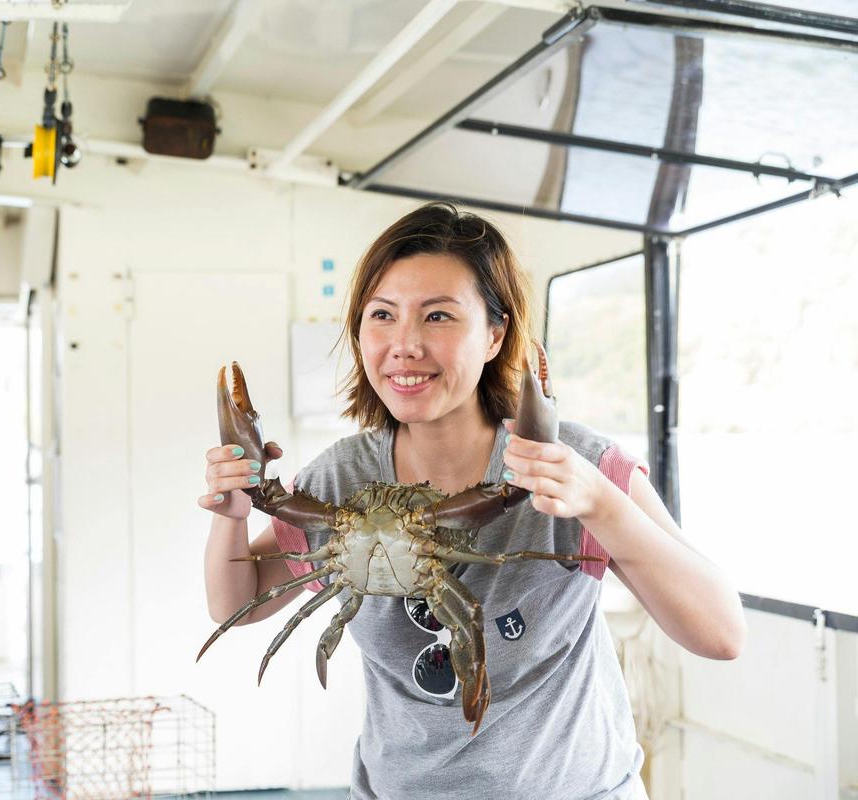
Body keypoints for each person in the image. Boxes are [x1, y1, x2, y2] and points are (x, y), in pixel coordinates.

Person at [198, 202, 745, 799]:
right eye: (382, 315)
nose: (405, 344)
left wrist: (601, 503)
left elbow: (720, 634)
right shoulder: (340, 479)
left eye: (438, 316)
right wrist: (232, 517)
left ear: (495, 334)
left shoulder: (569, 463)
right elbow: (236, 605)